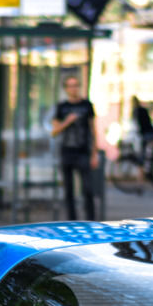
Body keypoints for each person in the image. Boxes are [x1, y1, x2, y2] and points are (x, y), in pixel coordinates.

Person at [51, 75, 100, 221]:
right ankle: (72, 220)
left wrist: (94, 154)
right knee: (68, 190)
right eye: (70, 86)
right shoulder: (62, 107)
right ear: (66, 89)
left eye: (76, 85)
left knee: (87, 188)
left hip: (83, 152)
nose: (74, 88)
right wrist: (67, 121)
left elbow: (93, 130)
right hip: (67, 152)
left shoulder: (87, 105)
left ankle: (91, 220)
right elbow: (54, 131)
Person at [132, 97, 153, 179]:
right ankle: (150, 170)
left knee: (143, 156)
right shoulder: (143, 110)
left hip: (146, 134)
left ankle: (146, 172)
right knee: (150, 154)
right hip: (151, 133)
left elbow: (136, 125)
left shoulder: (136, 111)